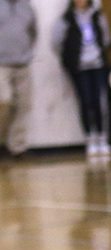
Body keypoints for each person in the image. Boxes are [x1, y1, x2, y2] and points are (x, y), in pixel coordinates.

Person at [52, 0, 111, 157]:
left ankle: (102, 137)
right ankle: (90, 137)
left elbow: (106, 38)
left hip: (97, 65)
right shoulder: (67, 18)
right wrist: (70, 57)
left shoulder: (97, 16)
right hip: (79, 67)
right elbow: (56, 42)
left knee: (99, 101)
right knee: (86, 101)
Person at [0, 0, 36, 160]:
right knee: (4, 101)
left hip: (22, 63)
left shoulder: (26, 6)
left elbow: (34, 32)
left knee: (24, 104)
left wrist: (27, 52)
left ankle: (17, 146)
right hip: (1, 64)